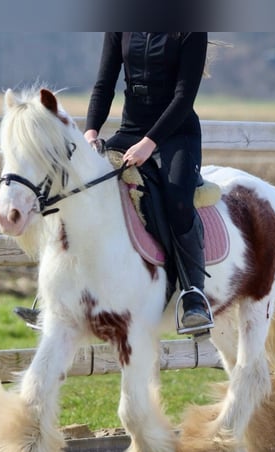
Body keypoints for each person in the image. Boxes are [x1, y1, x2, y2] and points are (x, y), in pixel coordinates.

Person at [84, 32, 212, 331]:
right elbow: (104, 85)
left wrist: (149, 144)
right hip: (131, 128)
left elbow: (184, 98)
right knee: (90, 186)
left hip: (176, 134)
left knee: (178, 201)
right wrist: (91, 131)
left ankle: (194, 296)